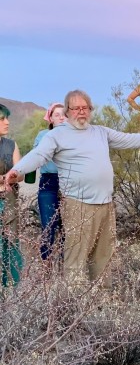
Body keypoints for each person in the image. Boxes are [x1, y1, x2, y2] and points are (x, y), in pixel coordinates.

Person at [4, 90, 140, 289]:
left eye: (85, 107)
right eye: (75, 108)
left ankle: (101, 302)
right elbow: (38, 155)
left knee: (103, 257)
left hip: (106, 205)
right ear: (68, 111)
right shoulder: (57, 135)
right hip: (77, 205)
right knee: (76, 257)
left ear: (90, 110)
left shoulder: (101, 132)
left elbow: (130, 138)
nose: (81, 112)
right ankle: (73, 305)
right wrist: (16, 171)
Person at [33, 103, 65, 260]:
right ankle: (46, 270)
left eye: (63, 114)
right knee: (48, 227)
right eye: (56, 114)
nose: (60, 117)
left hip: (70, 183)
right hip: (49, 182)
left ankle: (67, 270)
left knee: (69, 228)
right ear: (50, 118)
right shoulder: (43, 135)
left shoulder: (75, 136)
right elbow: (36, 157)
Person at [0, 104, 23, 286]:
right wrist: (5, 178)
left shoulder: (11, 145)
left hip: (9, 201)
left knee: (11, 244)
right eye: (2, 119)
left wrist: (9, 178)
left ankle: (12, 290)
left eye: (7, 118)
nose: (7, 122)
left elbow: (21, 173)